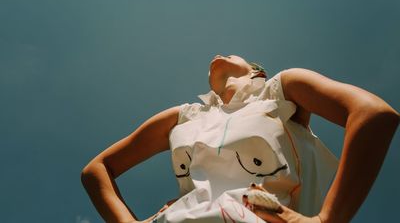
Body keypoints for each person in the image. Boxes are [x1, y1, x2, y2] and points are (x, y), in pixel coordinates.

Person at [81, 55, 399, 223]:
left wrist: (328, 219)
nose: (220, 54)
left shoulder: (281, 89)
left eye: (235, 54)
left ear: (256, 71)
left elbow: (373, 115)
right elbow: (97, 169)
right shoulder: (185, 116)